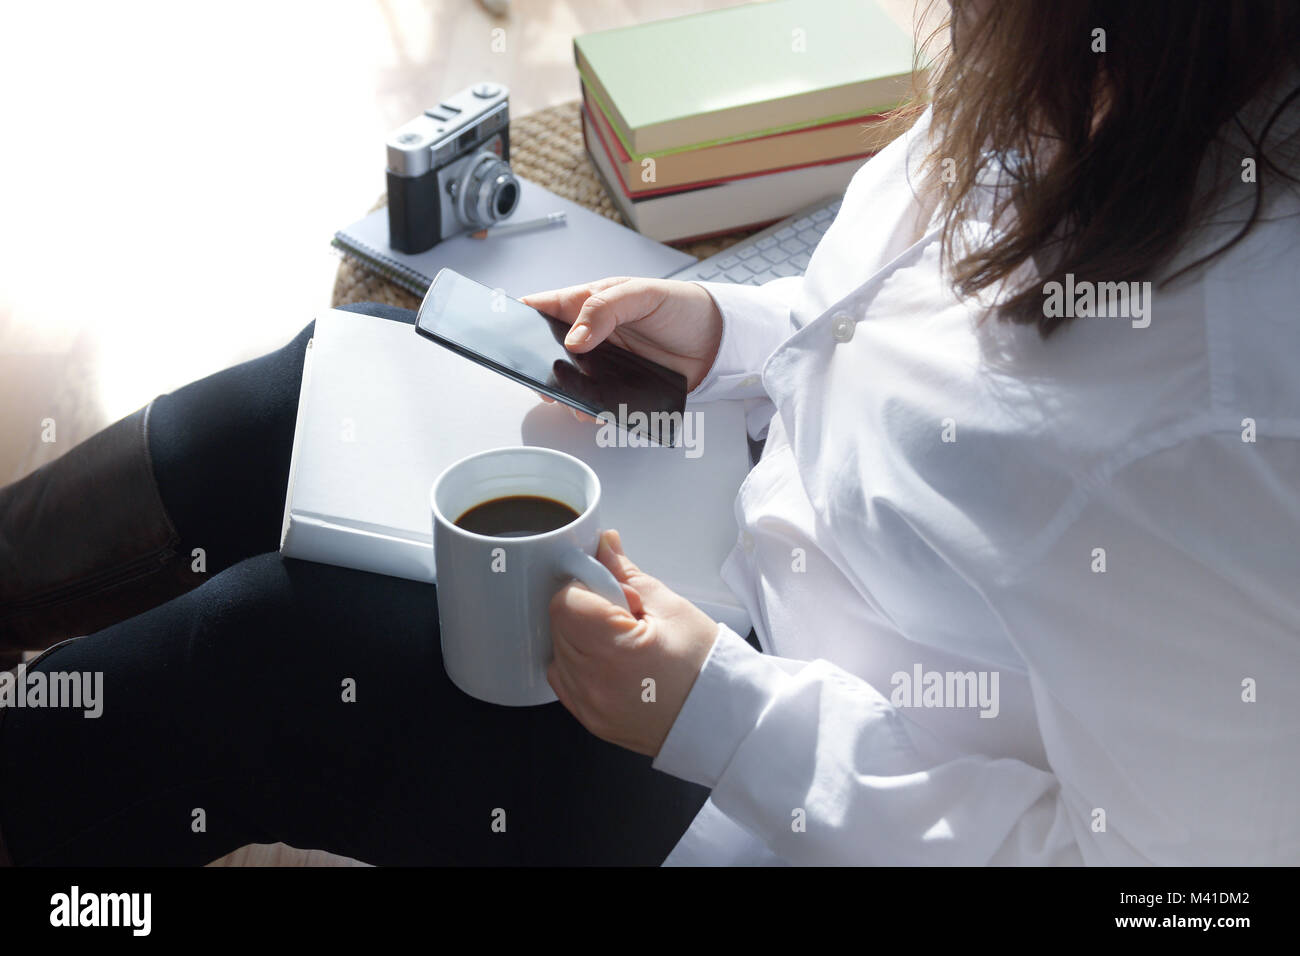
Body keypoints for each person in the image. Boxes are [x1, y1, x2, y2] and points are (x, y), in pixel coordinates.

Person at [2, 0, 1299, 866]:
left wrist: (716, 714)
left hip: (785, 779)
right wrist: (733, 333)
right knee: (302, 404)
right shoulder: (1089, 78)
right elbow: (910, 316)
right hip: (737, 517)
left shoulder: (1229, 420)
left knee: (273, 654)